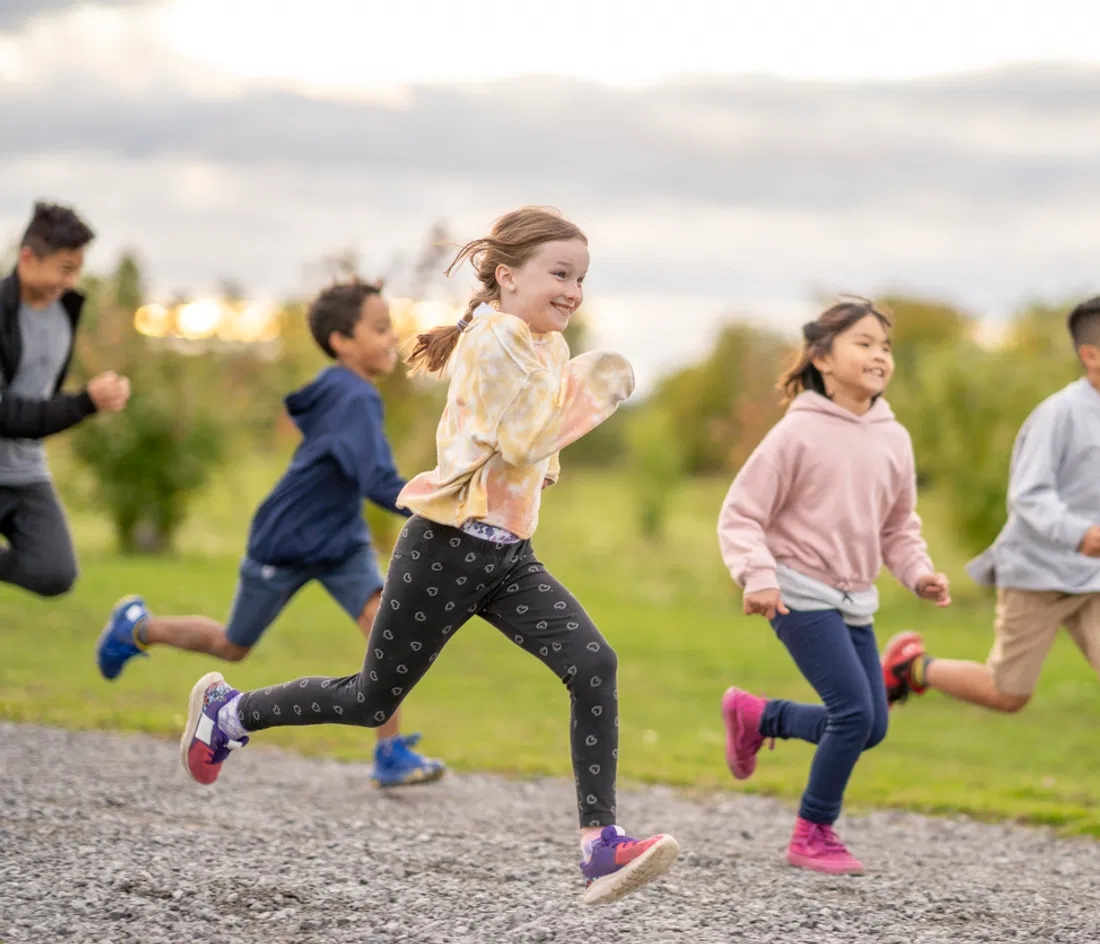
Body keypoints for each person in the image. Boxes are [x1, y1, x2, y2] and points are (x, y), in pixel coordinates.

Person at [175, 206, 679, 905]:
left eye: (581, 278)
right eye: (560, 274)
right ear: (507, 275)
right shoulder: (493, 340)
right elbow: (529, 438)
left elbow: (539, 457)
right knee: (370, 698)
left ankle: (600, 846)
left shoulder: (547, 346)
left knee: (593, 664)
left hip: (507, 556)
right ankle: (229, 716)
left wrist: (565, 409)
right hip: (447, 548)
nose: (573, 290)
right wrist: (592, 394)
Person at [881, 292, 1100, 854]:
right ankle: (914, 668)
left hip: (1097, 579)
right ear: (1091, 355)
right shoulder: (1061, 413)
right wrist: (1076, 532)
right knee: (1008, 694)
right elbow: (1027, 497)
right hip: (1037, 572)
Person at [96, 278, 446, 787]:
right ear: (342, 341)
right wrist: (441, 505)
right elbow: (377, 481)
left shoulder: (349, 391)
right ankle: (136, 626)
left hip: (341, 542)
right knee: (232, 645)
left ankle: (388, 751)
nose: (392, 337)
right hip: (287, 541)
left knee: (381, 626)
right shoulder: (353, 396)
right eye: (380, 328)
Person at [716, 297, 951, 875]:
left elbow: (898, 526)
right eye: (864, 344)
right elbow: (741, 514)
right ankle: (813, 831)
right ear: (822, 357)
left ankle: (758, 716)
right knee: (850, 714)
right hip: (795, 589)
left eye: (885, 346)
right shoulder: (795, 434)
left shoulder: (893, 437)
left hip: (853, 598)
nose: (879, 355)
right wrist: (759, 576)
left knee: (871, 725)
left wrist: (918, 572)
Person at [0, 201, 130, 598]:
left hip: (26, 472)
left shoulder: (65, 313)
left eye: (77, 270)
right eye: (65, 269)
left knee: (55, 572)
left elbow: (41, 394)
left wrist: (94, 398)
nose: (72, 282)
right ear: (28, 258)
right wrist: (86, 402)